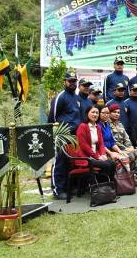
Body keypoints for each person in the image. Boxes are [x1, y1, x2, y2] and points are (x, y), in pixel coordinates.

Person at [50, 72, 82, 200]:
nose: (72, 83)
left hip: (74, 136)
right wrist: (54, 134)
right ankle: (57, 190)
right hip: (62, 134)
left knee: (70, 162)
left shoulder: (76, 98)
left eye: (74, 81)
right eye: (70, 81)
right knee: (60, 161)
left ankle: (67, 187)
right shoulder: (60, 97)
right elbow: (52, 117)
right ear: (64, 82)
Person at [73, 105, 116, 184]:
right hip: (85, 158)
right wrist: (98, 157)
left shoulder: (97, 127)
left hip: (95, 156)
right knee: (107, 165)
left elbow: (101, 144)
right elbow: (84, 146)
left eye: (97, 113)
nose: (95, 114)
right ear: (87, 114)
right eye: (93, 112)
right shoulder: (82, 126)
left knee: (112, 163)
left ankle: (109, 187)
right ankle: (102, 187)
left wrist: (103, 154)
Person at [107, 104, 137, 177]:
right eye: (114, 112)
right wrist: (125, 149)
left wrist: (130, 146)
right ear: (110, 113)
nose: (116, 114)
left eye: (118, 112)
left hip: (125, 148)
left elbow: (126, 137)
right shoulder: (107, 124)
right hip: (115, 149)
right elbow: (112, 140)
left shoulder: (120, 124)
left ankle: (135, 175)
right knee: (131, 156)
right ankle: (127, 178)